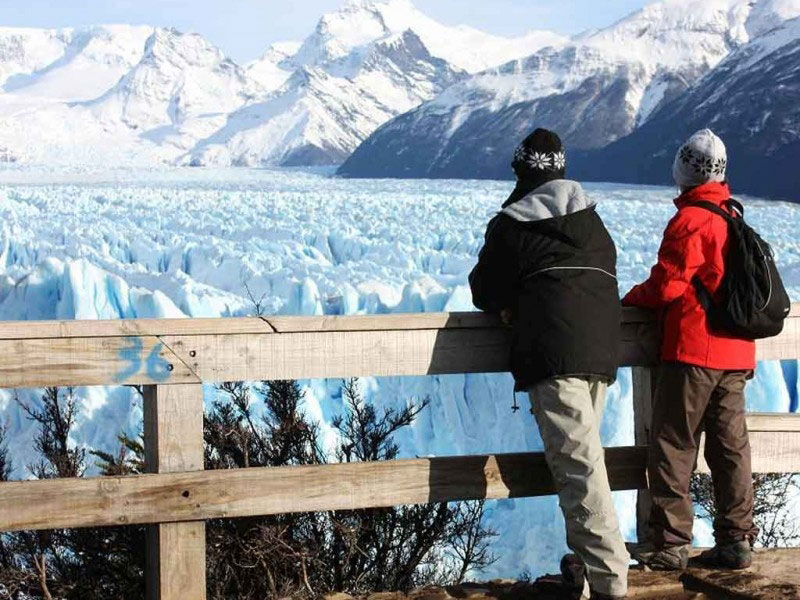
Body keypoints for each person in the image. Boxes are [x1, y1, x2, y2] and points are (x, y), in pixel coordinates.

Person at [469, 128, 629, 600]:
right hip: (601, 351)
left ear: (521, 170)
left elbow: (484, 289)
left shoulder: (511, 225)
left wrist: (514, 304)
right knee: (583, 464)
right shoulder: (592, 222)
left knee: (579, 472)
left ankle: (611, 585)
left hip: (555, 354)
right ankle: (585, 572)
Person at [623, 129, 758, 571]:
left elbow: (668, 285)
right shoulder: (732, 213)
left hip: (694, 351)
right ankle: (736, 540)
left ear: (684, 169)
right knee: (729, 447)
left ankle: (670, 543)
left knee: (672, 444)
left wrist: (630, 299)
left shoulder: (691, 220)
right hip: (735, 353)